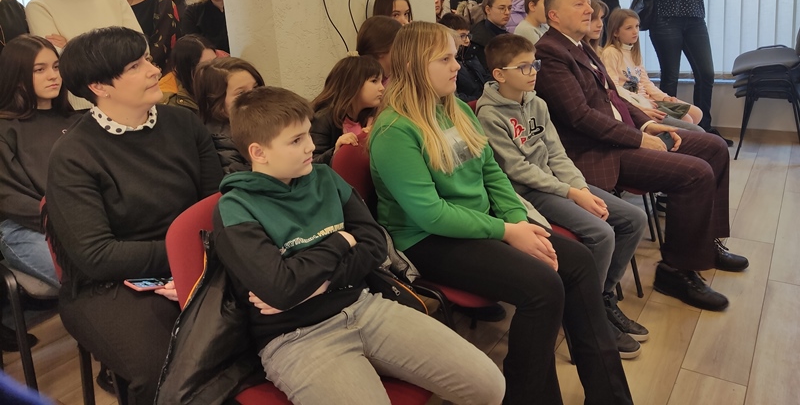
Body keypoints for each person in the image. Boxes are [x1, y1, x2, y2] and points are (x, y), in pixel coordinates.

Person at [369, 21, 632, 405]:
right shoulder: (394, 130)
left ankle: (611, 397)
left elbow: (492, 173)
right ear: (412, 66)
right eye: (444, 59)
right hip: (427, 240)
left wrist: (519, 220)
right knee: (543, 288)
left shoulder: (455, 108)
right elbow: (431, 214)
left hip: (480, 223)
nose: (457, 66)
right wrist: (507, 231)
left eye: (455, 57)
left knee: (578, 261)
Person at [212, 85, 505, 405]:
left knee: (489, 385)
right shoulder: (236, 208)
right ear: (259, 153)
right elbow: (280, 289)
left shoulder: (325, 177)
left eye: (308, 133)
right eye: (296, 140)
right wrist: (340, 240)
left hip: (364, 304)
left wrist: (318, 285)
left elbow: (375, 244)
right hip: (296, 336)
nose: (311, 145)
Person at [533, 0, 748, 312]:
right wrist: (638, 138)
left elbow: (614, 97)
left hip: (621, 137)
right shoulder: (550, 52)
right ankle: (675, 272)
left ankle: (706, 244)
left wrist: (647, 124)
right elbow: (579, 117)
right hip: (598, 152)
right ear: (554, 15)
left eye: (588, 4)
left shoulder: (580, 46)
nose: (590, 10)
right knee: (695, 173)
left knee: (715, 147)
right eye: (579, 5)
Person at [44, 26, 222, 405]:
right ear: (99, 86)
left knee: (263, 324)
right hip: (112, 285)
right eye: (135, 66)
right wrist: (182, 257)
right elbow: (97, 256)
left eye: (148, 60)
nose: (154, 70)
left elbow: (215, 206)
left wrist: (196, 262)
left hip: (197, 259)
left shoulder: (183, 123)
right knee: (167, 368)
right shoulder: (74, 155)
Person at [476, 33, 649, 357]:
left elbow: (557, 153)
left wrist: (579, 188)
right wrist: (570, 191)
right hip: (528, 193)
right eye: (524, 67)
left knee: (634, 219)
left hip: (558, 183)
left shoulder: (537, 103)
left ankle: (601, 298)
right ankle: (586, 317)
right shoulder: (489, 115)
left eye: (535, 64)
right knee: (602, 233)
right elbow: (516, 170)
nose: (533, 72)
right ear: (499, 74)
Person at [648, 0, 732, 142]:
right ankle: (670, 131)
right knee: (670, 78)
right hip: (665, 21)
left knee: (706, 74)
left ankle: (704, 130)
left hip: (695, 20)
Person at [0, 36, 74, 289]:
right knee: (90, 277)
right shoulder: (5, 129)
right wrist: (71, 221)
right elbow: (9, 199)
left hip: (87, 221)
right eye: (39, 70)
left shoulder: (76, 121)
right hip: (28, 227)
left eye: (56, 66)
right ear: (16, 76)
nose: (53, 76)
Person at [601, 8, 703, 128]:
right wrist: (643, 104)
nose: (635, 31)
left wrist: (664, 97)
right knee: (687, 120)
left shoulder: (634, 52)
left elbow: (646, 83)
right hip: (636, 102)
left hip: (647, 99)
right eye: (629, 28)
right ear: (615, 32)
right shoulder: (611, 52)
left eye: (637, 26)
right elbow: (614, 87)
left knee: (697, 113)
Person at [194, 57, 265, 174]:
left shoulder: (260, 120)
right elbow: (242, 179)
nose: (255, 96)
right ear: (217, 102)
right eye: (241, 93)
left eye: (256, 87)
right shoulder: (220, 141)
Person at [310, 55, 384, 165]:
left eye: (381, 81)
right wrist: (336, 151)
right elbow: (312, 165)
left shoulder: (374, 116)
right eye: (374, 81)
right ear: (352, 84)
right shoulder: (323, 119)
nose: (382, 88)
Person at [158, 34, 217, 112]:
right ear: (186, 69)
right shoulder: (170, 103)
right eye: (206, 66)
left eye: (216, 62)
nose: (215, 70)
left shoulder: (221, 78)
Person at [438, 13, 490, 102]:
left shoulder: (471, 54)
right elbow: (455, 97)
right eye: (462, 36)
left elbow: (485, 77)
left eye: (468, 35)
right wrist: (481, 100)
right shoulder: (447, 64)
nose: (467, 40)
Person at [470, 0, 512, 74]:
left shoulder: (506, 35)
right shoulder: (479, 39)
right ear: (488, 10)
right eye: (502, 8)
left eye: (509, 8)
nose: (507, 12)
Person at [355, 16, 402, 83]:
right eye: (399, 45)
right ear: (381, 50)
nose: (403, 51)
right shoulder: (366, 85)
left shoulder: (393, 79)